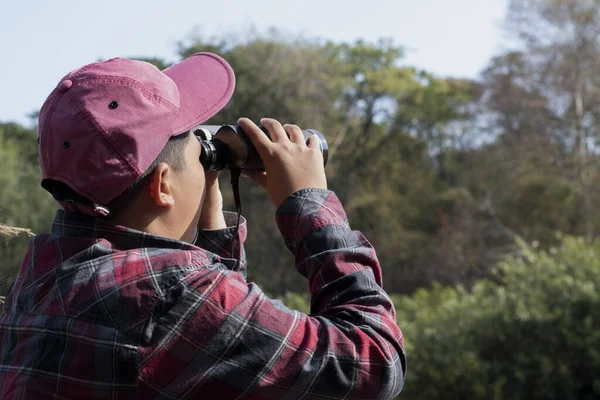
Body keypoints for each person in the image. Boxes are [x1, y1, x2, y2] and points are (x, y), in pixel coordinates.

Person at [0, 52, 406, 399]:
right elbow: (374, 361)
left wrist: (210, 223)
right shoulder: (171, 293)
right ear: (162, 185)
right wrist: (309, 205)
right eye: (200, 151)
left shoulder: (39, 277)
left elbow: (212, 356)